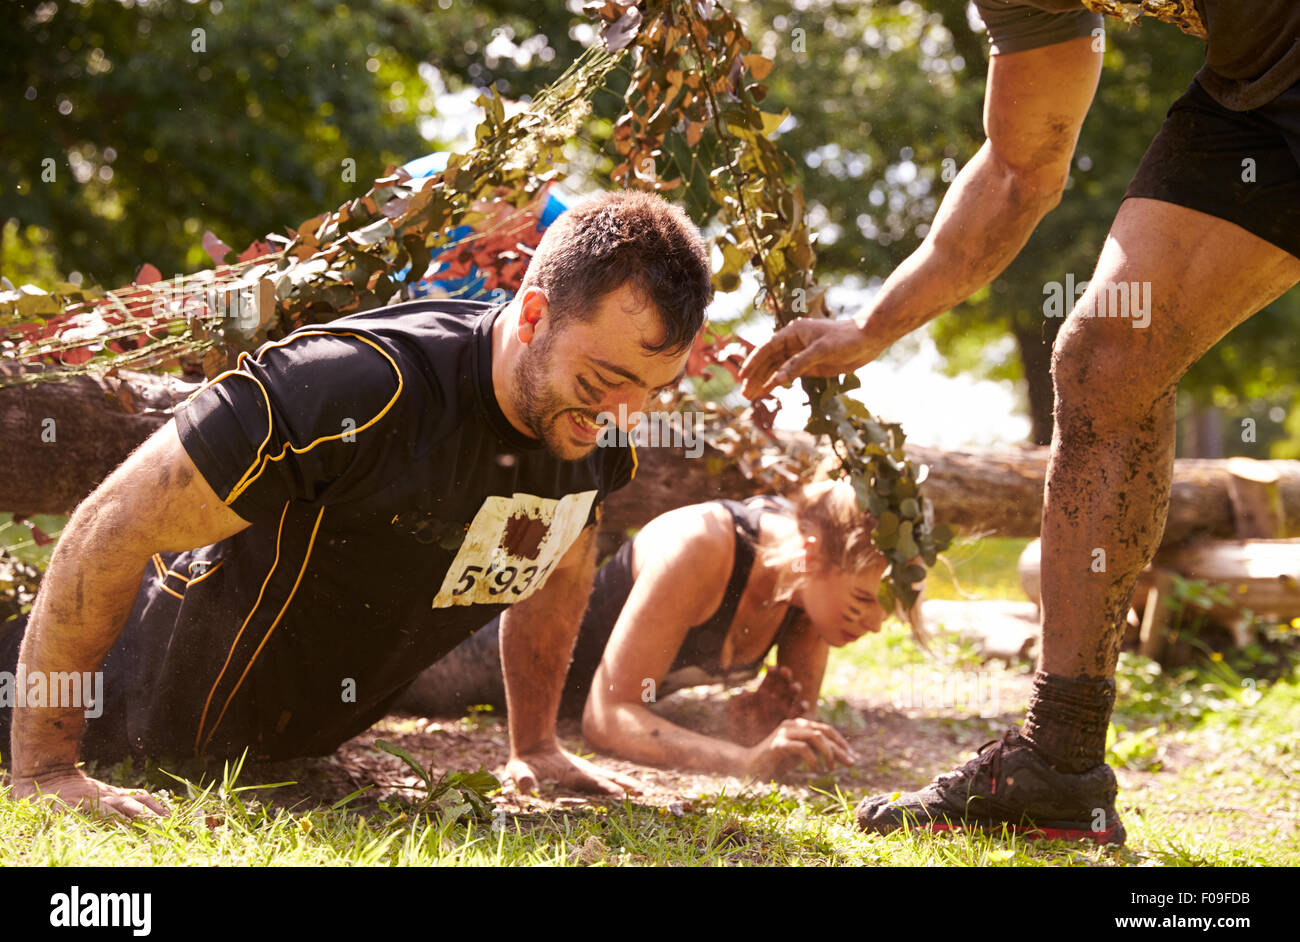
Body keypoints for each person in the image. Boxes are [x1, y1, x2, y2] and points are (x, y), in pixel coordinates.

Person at [740, 1, 1300, 845]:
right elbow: (1019, 169)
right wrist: (874, 327)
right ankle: (1061, 764)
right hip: (1259, 96)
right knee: (1107, 360)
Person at [2, 190, 713, 819]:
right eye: (604, 379)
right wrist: (47, 770)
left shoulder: (593, 444)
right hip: (108, 705)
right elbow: (105, 528)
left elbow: (559, 567)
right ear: (532, 316)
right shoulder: (350, 387)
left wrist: (535, 744)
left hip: (271, 760)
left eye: (652, 390)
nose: (626, 415)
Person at [401, 481, 902, 776]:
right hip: (486, 656)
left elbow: (784, 739)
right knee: (394, 680)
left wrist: (754, 728)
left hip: (570, 702)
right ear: (811, 554)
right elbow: (609, 717)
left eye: (885, 605)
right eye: (863, 599)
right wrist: (742, 760)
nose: (876, 624)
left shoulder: (812, 601)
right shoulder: (706, 545)